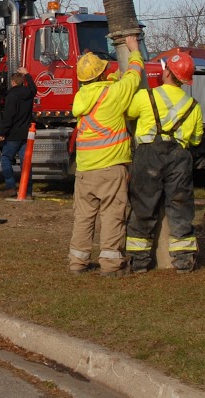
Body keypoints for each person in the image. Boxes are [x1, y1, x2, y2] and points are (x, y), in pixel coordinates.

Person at [69, 34, 143, 276]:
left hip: (84, 170)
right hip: (111, 168)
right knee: (112, 216)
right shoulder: (114, 94)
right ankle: (111, 265)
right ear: (101, 74)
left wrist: (111, 79)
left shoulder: (81, 98)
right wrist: (134, 49)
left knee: (83, 217)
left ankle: (77, 262)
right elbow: (134, 76)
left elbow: (107, 86)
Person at [125, 51, 203, 274]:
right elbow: (196, 139)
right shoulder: (194, 106)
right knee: (180, 207)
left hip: (148, 155)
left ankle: (138, 262)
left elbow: (128, 114)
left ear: (166, 72)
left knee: (143, 207)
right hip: (179, 156)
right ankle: (184, 261)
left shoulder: (146, 96)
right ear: (186, 80)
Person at [0, 66, 37, 196]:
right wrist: (27, 74)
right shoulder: (29, 93)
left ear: (13, 82)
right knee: (25, 162)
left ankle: (10, 186)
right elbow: (34, 88)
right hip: (26, 134)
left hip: (14, 135)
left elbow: (8, 116)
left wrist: (2, 132)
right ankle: (28, 191)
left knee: (5, 158)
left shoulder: (12, 95)